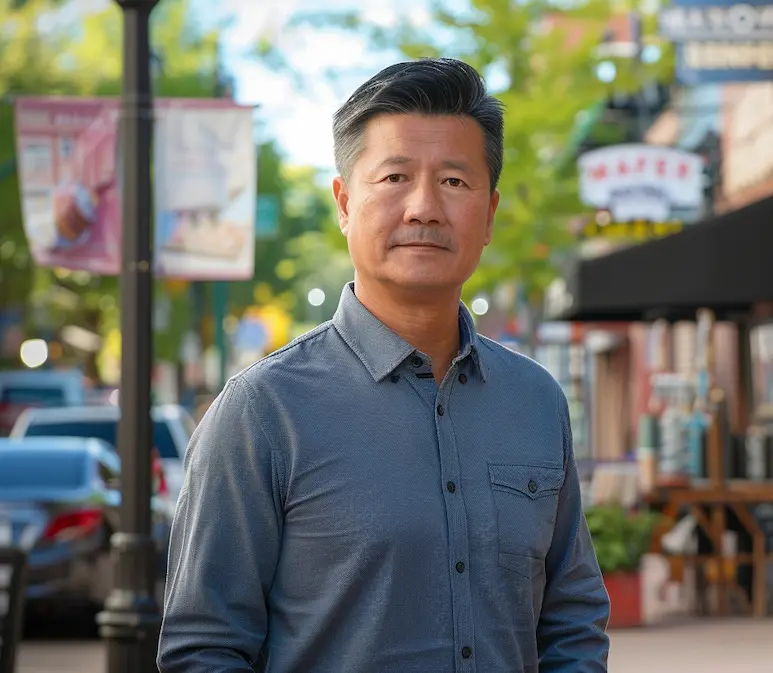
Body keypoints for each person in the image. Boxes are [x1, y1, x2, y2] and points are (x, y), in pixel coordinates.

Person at [158, 58, 611, 673]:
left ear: (490, 213)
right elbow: (204, 648)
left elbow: (572, 618)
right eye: (395, 176)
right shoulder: (263, 412)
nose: (424, 207)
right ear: (344, 203)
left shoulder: (535, 401)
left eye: (454, 182)